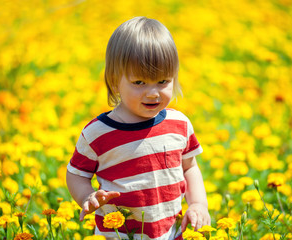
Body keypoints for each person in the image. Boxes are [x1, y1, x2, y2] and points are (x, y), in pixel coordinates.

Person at [66, 16, 210, 239]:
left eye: (163, 81)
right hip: (118, 235)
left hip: (171, 233)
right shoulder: (97, 134)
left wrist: (198, 203)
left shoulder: (179, 124)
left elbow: (189, 168)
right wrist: (87, 196)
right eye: (139, 83)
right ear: (115, 81)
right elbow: (76, 174)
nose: (153, 93)